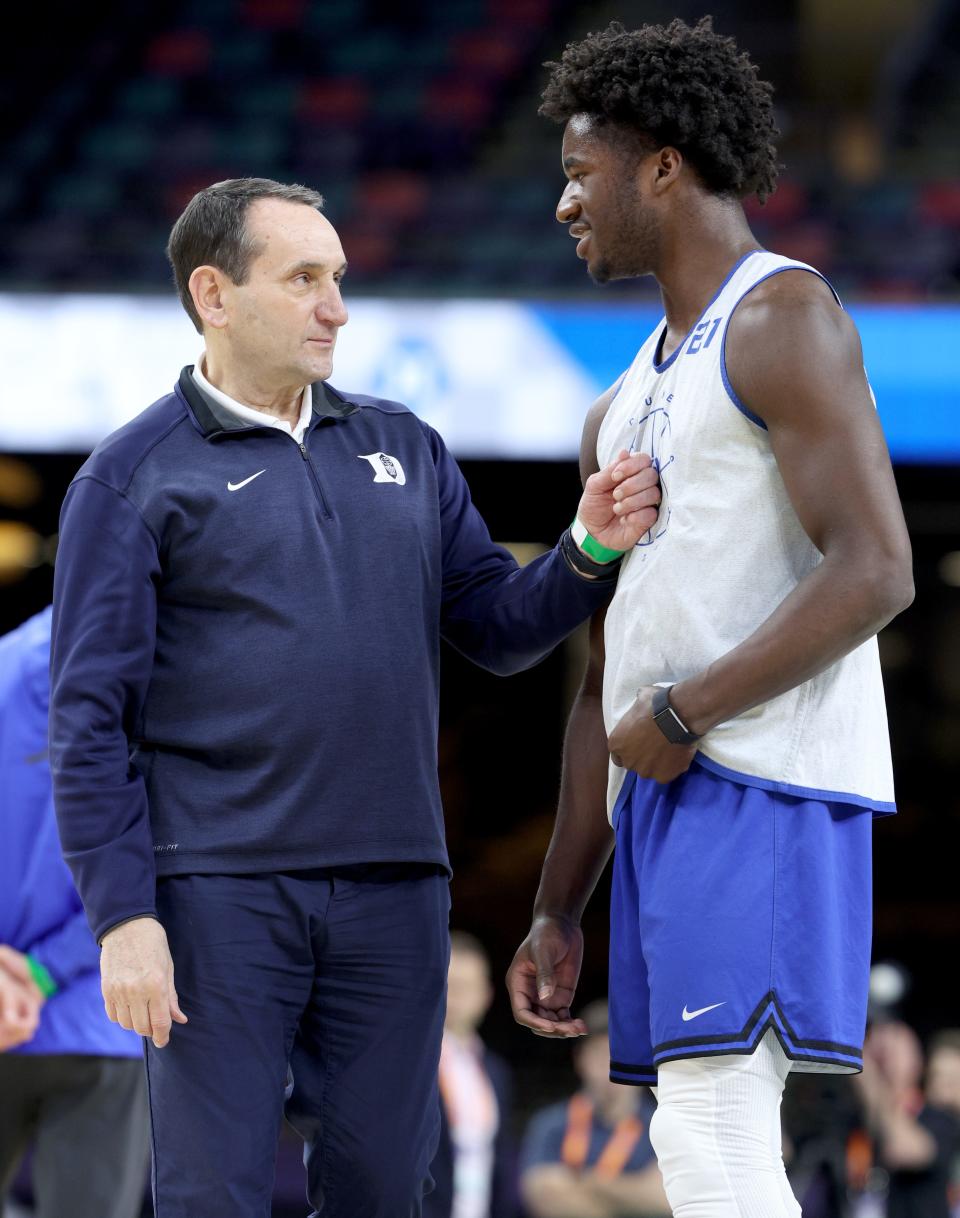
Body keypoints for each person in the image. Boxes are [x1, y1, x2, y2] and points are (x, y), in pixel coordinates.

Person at [48, 177, 662, 1218]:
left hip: (395, 890)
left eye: (339, 278)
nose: (337, 307)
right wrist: (122, 920)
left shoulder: (408, 447)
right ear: (215, 293)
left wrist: (588, 547)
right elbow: (86, 722)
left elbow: (500, 631)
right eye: (305, 280)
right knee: (213, 1193)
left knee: (386, 1187)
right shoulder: (131, 478)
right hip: (216, 894)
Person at [506, 18, 914, 1218]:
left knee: (710, 1130)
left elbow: (880, 569)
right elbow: (602, 679)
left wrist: (687, 710)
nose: (567, 206)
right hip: (668, 798)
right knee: (702, 1128)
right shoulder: (617, 405)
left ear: (664, 165)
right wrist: (555, 902)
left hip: (764, 775)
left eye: (582, 177)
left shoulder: (783, 317)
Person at [0, 608, 149, 1218]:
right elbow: (170, 859)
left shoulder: (7, 662)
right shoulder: (180, 675)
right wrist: (41, 972)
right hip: (104, 1016)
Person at [520, 1001, 670, 1218]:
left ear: (643, 1059)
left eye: (622, 1054)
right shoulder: (551, 1123)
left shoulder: (663, 1126)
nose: (610, 1065)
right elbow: (544, 1195)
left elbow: (664, 1198)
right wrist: (632, 1193)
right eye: (600, 1055)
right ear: (580, 1059)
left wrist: (584, 1180)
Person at [425, 931, 518, 1218]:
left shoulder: (495, 1072)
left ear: (485, 996)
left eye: (467, 987)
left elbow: (499, 1162)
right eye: (450, 985)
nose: (457, 998)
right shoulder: (411, 1066)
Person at [853, 1020, 959, 1218]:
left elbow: (903, 1150)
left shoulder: (944, 1120)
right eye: (938, 1076)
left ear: (916, 1063)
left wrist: (876, 1074)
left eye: (953, 1079)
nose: (943, 1088)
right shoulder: (878, 1112)